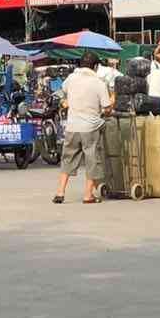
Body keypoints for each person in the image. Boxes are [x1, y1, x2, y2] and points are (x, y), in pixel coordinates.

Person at [52, 52, 111, 205]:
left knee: (68, 159)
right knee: (92, 160)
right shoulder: (99, 83)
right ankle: (88, 195)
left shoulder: (71, 78)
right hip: (90, 128)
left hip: (72, 126)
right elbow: (106, 108)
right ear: (96, 66)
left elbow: (64, 92)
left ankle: (60, 192)